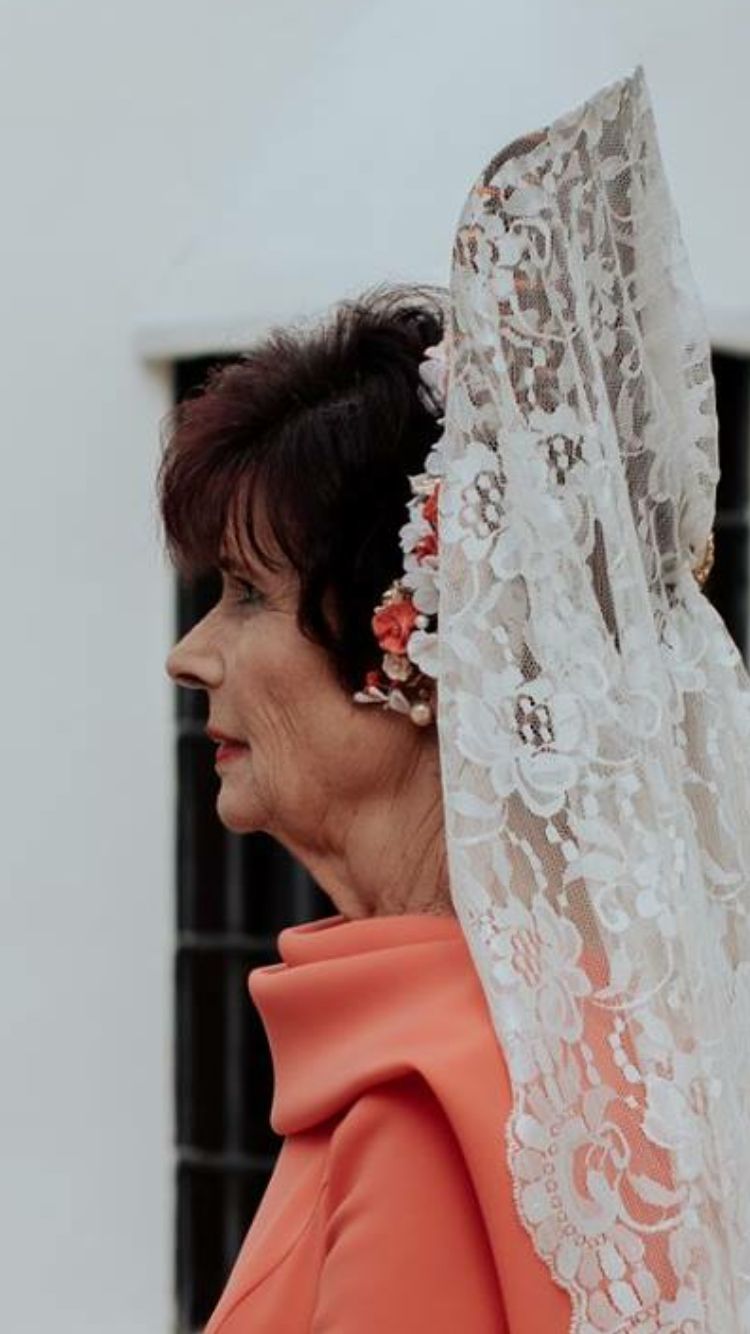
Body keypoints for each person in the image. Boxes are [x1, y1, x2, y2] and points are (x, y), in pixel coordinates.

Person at [161, 66, 750, 1333]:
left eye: (250, 595)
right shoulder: (580, 1058)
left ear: (417, 652)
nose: (191, 653)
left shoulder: (427, 1110)